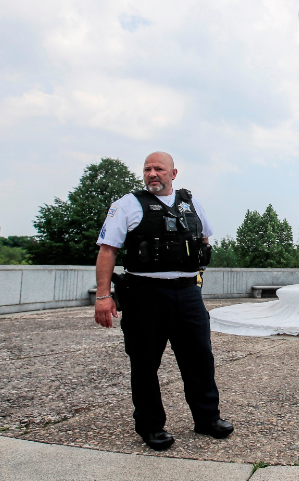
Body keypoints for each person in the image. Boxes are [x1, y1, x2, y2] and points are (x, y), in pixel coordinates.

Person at [93, 151, 233, 451]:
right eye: (147, 169)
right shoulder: (128, 205)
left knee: (199, 359)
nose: (152, 174)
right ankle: (151, 426)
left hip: (188, 293)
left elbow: (204, 239)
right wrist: (103, 296)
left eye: (159, 169)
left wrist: (196, 271)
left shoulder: (190, 204)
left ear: (173, 173)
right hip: (145, 295)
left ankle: (208, 419)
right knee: (144, 364)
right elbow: (107, 251)